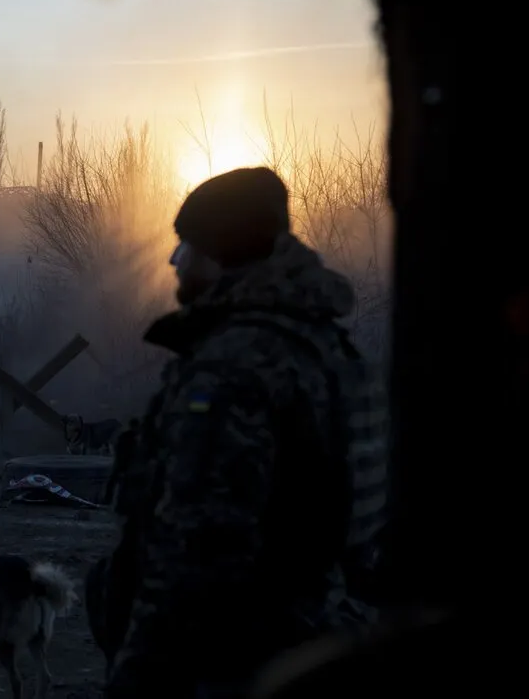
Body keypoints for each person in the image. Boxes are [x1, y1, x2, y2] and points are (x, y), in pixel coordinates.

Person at [86, 167, 390, 699]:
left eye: (186, 247)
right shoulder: (331, 348)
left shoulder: (236, 364)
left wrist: (135, 678)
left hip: (238, 659)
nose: (174, 261)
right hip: (323, 641)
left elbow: (195, 556)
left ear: (219, 255)